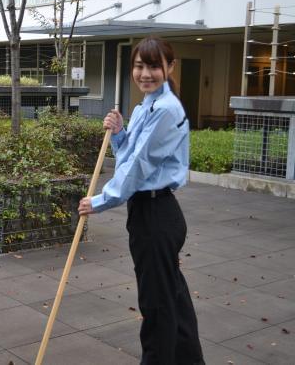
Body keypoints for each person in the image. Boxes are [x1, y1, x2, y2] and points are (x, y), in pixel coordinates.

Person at [78, 36, 204, 365]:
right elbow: (128, 155)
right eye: (139, 65)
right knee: (172, 300)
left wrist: (99, 201)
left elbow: (137, 168)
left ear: (170, 67)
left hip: (157, 216)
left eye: (153, 66)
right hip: (151, 212)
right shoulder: (146, 104)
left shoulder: (165, 110)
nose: (145, 73)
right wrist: (120, 132)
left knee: (157, 308)